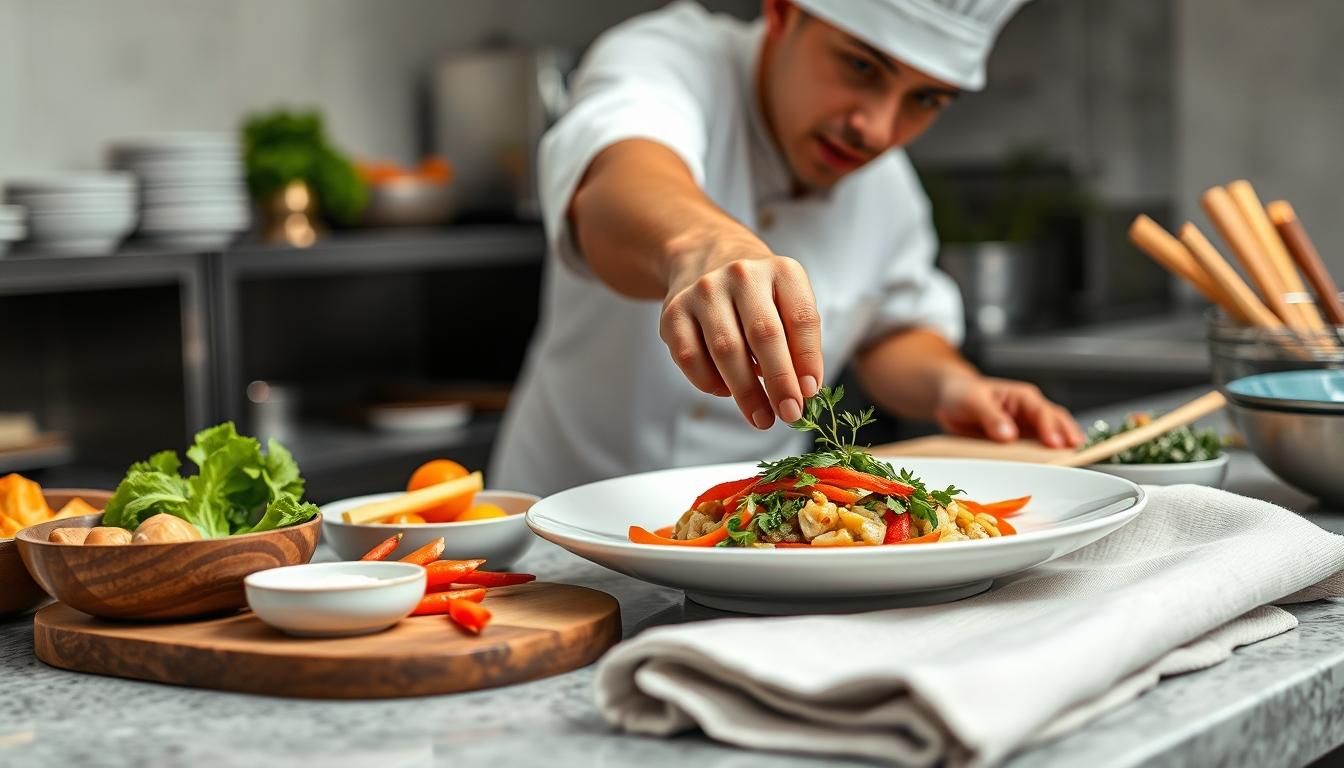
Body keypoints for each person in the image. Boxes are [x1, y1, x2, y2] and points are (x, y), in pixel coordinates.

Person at [491, 0, 1084, 496]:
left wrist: (955, 387)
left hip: (752, 548)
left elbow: (893, 333)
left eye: (924, 100)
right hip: (554, 535)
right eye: (860, 66)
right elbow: (613, 182)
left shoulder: (889, 190)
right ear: (781, 11)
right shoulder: (671, 57)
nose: (876, 129)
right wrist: (702, 244)